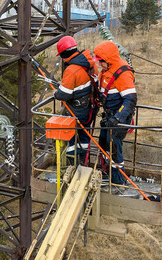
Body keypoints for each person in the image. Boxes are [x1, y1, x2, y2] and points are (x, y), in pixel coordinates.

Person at [92, 40, 137, 185]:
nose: (99, 64)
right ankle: (107, 172)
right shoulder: (107, 71)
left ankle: (118, 181)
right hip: (109, 116)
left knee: (114, 149)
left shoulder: (122, 73)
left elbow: (130, 99)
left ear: (108, 60)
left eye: (101, 61)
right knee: (104, 144)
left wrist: (117, 117)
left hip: (119, 119)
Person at [54, 35, 98, 164]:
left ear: (63, 54)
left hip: (77, 110)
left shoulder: (71, 70)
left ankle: (72, 164)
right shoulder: (90, 64)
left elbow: (64, 95)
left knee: (71, 137)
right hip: (90, 108)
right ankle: (83, 161)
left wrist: (56, 93)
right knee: (84, 135)